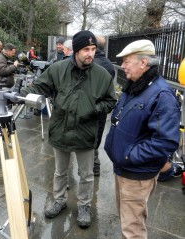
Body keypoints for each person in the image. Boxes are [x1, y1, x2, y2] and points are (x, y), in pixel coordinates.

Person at [20, 30, 116, 228]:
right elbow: (38, 87)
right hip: (61, 129)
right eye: (85, 49)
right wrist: (20, 96)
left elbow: (110, 101)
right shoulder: (58, 69)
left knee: (87, 175)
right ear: (76, 51)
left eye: (93, 49)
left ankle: (84, 206)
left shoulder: (102, 75)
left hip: (86, 131)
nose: (90, 53)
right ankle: (59, 200)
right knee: (60, 172)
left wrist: (92, 109)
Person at [104, 39, 180, 239]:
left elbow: (165, 142)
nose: (122, 66)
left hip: (135, 174)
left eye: (127, 61)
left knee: (133, 230)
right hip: (124, 167)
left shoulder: (162, 95)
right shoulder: (137, 86)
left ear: (143, 62)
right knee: (127, 221)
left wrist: (128, 155)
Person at [93, 35, 116, 176]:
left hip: (90, 106)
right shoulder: (109, 64)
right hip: (102, 108)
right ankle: (95, 166)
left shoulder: (91, 63)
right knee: (97, 136)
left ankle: (91, 167)